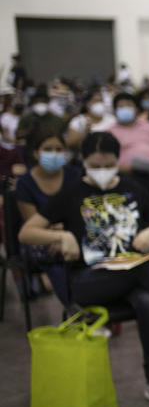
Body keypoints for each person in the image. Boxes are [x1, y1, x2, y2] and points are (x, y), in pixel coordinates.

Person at [19, 132, 149, 407]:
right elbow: (27, 232)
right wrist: (61, 238)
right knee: (142, 268)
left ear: (118, 161)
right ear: (83, 162)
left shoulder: (132, 188)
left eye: (108, 165)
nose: (102, 171)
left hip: (130, 278)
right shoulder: (72, 193)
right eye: (95, 165)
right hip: (87, 281)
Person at [13, 118, 81, 302]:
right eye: (48, 149)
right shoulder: (25, 184)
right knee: (56, 257)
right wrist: (59, 235)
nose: (54, 154)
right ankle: (74, 307)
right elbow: (33, 225)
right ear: (36, 153)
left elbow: (84, 212)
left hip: (73, 233)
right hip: (41, 240)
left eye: (59, 149)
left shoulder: (75, 175)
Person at [108, 92, 149, 193]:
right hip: (126, 175)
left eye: (129, 105)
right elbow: (106, 162)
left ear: (136, 109)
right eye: (121, 106)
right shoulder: (109, 132)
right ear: (115, 111)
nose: (125, 108)